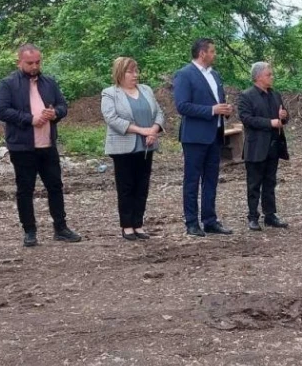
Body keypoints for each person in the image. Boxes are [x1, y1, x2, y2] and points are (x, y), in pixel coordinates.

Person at [0, 44, 82, 247]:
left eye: (37, 62)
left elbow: (62, 105)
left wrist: (55, 113)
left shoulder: (49, 82)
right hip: (23, 146)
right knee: (25, 189)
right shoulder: (8, 83)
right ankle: (29, 230)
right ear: (19, 62)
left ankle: (60, 228)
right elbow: (1, 110)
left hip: (47, 144)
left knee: (55, 186)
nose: (35, 66)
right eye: (30, 63)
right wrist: (30, 119)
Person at [173, 38, 234, 237]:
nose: (214, 55)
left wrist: (225, 109)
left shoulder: (214, 75)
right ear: (202, 53)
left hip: (215, 134)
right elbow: (182, 106)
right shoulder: (184, 75)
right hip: (195, 136)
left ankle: (209, 220)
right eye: (212, 51)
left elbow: (219, 101)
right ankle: (191, 222)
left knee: (211, 180)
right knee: (192, 180)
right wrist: (211, 110)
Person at [101, 57, 165, 241]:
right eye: (130, 71)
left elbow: (159, 113)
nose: (135, 75)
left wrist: (153, 130)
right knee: (126, 186)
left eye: (136, 71)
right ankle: (127, 226)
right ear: (120, 73)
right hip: (123, 147)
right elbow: (112, 118)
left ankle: (138, 224)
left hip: (147, 146)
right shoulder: (110, 93)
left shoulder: (146, 90)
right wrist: (140, 130)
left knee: (142, 186)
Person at [238, 62, 290, 231]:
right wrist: (270, 122)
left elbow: (283, 118)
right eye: (269, 74)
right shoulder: (246, 96)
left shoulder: (275, 95)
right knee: (254, 183)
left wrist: (284, 116)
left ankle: (270, 215)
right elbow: (247, 119)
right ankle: (253, 216)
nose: (272, 77)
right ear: (259, 76)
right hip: (256, 147)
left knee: (270, 182)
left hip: (274, 145)